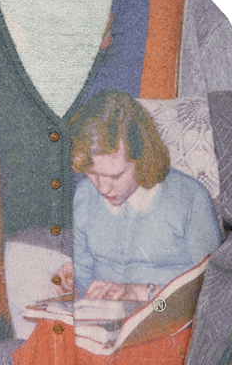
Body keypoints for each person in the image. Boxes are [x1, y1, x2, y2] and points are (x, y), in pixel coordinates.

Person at [57, 88, 223, 301]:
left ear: (143, 157)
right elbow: (84, 279)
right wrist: (73, 288)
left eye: (116, 175)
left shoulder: (189, 197)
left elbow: (214, 288)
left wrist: (141, 292)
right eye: (92, 173)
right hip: (102, 315)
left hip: (164, 313)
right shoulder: (84, 195)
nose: (103, 188)